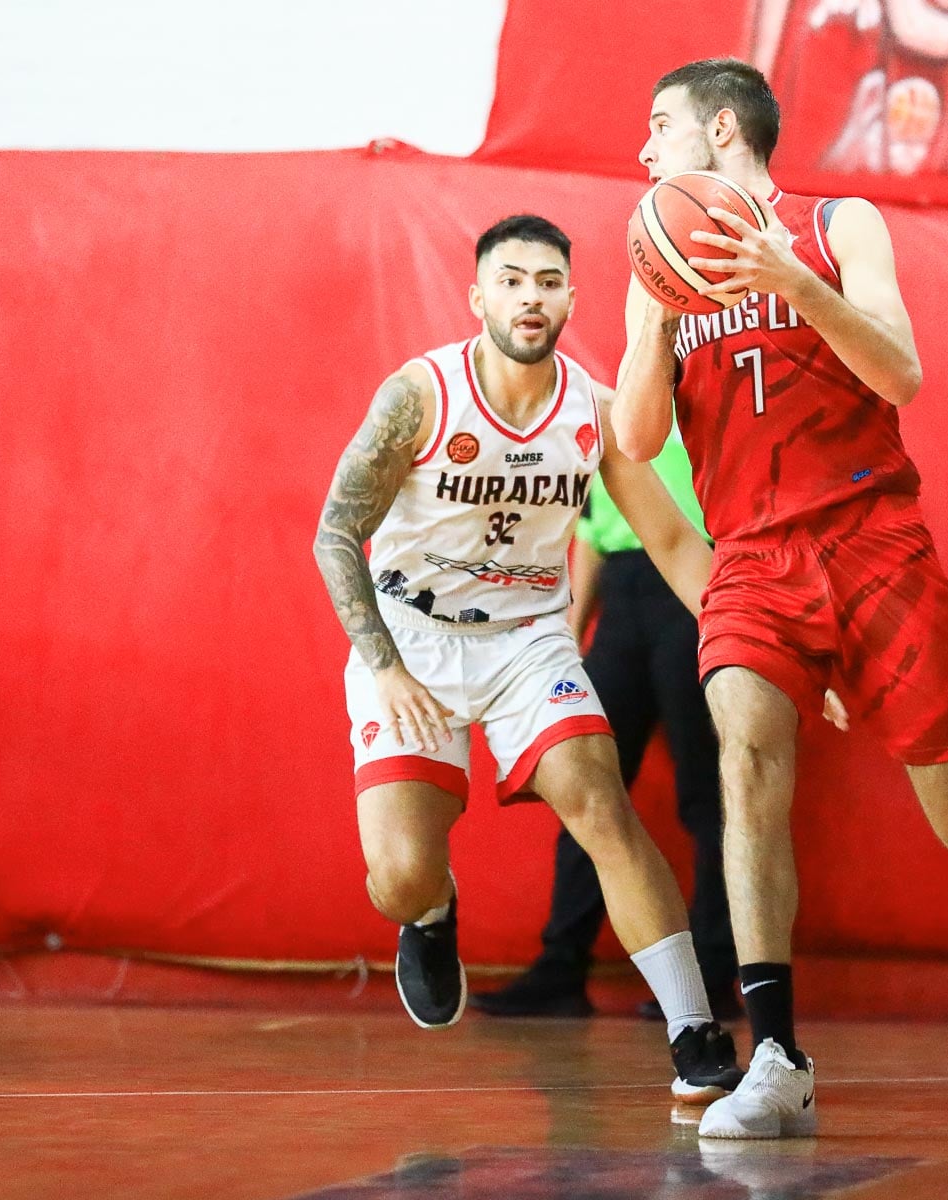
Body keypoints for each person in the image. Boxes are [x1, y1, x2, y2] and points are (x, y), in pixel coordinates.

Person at [612, 58, 948, 1139]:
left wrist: (788, 279)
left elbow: (899, 372)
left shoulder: (837, 223)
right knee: (746, 750)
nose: (643, 149)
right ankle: (779, 1058)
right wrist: (660, 314)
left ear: (721, 129)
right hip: (753, 558)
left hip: (873, 538)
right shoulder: (652, 262)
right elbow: (636, 439)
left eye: (658, 125)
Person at [312, 214, 744, 1106]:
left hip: (525, 642)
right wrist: (385, 666)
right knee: (396, 878)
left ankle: (693, 1029)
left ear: (570, 298)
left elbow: (671, 539)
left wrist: (758, 641)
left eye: (547, 281)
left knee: (599, 798)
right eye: (511, 281)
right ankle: (430, 916)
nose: (529, 297)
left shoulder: (591, 410)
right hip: (409, 641)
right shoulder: (420, 395)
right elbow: (334, 534)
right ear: (480, 298)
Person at [471, 428, 739, 1021]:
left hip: (694, 586)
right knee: (589, 786)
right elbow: (591, 534)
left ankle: (715, 977)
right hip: (621, 601)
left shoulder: (706, 402)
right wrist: (568, 637)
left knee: (711, 799)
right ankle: (562, 967)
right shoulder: (617, 418)